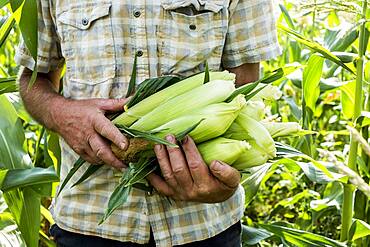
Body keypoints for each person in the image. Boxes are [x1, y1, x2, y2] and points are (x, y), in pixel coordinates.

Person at [16, 0, 280, 246]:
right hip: (90, 221)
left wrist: (222, 182)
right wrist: (64, 115)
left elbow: (244, 92)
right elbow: (32, 78)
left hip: (202, 224)